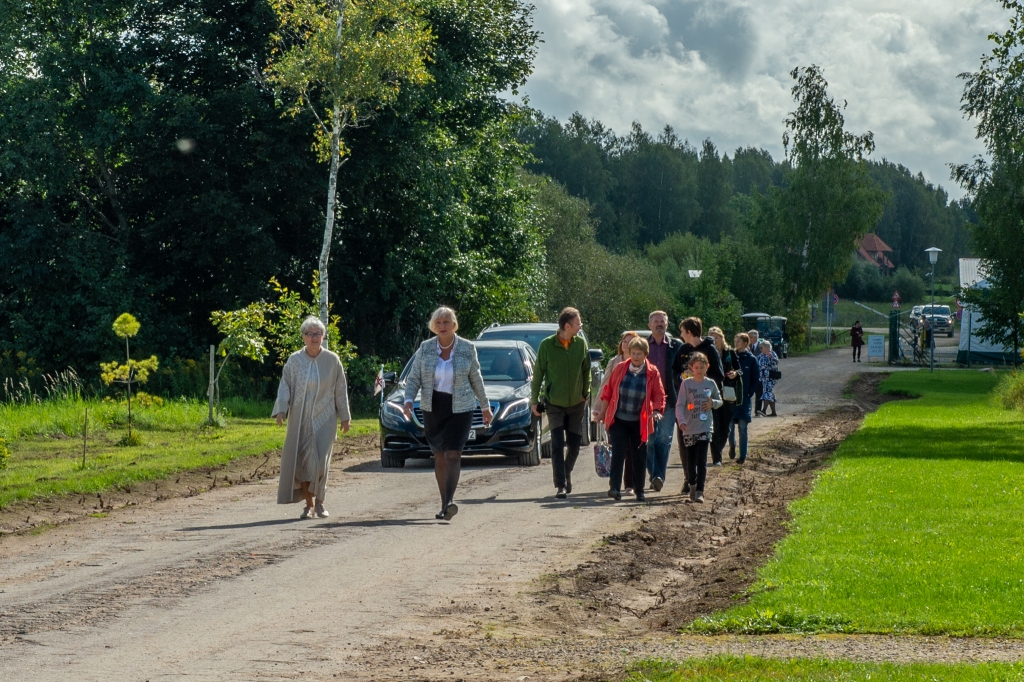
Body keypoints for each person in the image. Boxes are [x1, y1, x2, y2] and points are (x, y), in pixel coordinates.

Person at [403, 306, 492, 520]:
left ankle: (450, 501)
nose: (443, 326)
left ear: (454, 325)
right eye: (439, 323)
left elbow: (476, 379)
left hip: (460, 407)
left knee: (453, 453)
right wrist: (408, 400)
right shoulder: (425, 349)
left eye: (447, 322)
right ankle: (444, 503)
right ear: (434, 326)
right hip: (433, 407)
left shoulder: (467, 348)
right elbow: (414, 377)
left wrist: (485, 405)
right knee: (439, 455)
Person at [273, 316, 352, 520]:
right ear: (303, 337)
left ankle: (320, 502)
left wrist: (345, 416)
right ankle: (309, 505)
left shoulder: (332, 360)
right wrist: (281, 409)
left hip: (325, 420)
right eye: (310, 334)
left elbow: (340, 389)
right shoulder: (294, 360)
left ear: (323, 336)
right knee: (304, 462)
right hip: (300, 420)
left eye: (318, 334)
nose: (314, 337)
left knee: (320, 462)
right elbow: (285, 386)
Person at [594, 336, 666, 502]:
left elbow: (658, 394)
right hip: (619, 419)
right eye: (633, 353)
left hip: (639, 421)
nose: (635, 357)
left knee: (639, 455)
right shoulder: (620, 368)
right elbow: (608, 392)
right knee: (618, 453)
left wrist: (656, 410)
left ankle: (639, 491)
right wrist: (602, 414)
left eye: (639, 354)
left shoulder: (652, 372)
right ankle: (614, 488)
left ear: (645, 354)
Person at [531, 307, 591, 499]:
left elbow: (586, 370)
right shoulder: (547, 345)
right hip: (554, 404)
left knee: (574, 446)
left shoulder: (580, 344)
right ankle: (561, 485)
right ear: (567, 326)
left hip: (576, 404)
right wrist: (534, 400)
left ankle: (565, 474)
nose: (580, 326)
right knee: (557, 444)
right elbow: (538, 374)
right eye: (578, 324)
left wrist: (586, 392)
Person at [673, 317, 724, 490]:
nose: (680, 334)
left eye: (682, 331)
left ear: (689, 332)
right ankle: (689, 480)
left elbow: (719, 375)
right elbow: (674, 372)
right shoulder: (682, 349)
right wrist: (682, 376)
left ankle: (701, 482)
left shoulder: (709, 349)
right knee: (684, 445)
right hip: (686, 406)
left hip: (704, 407)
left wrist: (701, 380)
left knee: (703, 446)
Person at [595, 331, 640, 492]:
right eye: (624, 341)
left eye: (630, 341)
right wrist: (598, 409)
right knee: (617, 448)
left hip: (634, 413)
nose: (626, 344)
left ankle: (629, 484)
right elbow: (605, 385)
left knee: (630, 450)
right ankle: (615, 484)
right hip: (615, 411)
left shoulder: (641, 363)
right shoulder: (615, 362)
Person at [644, 311, 684, 492]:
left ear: (667, 325)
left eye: (663, 322)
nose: (659, 324)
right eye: (656, 321)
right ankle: (654, 474)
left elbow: (684, 370)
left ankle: (658, 476)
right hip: (646, 402)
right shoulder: (643, 345)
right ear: (649, 325)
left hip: (669, 399)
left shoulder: (676, 346)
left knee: (664, 439)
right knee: (648, 440)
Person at [676, 352, 722, 503]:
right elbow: (680, 404)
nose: (699, 370)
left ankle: (700, 492)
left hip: (705, 427)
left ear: (707, 367)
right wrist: (681, 421)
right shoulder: (686, 384)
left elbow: (719, 400)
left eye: (702, 367)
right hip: (689, 427)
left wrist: (712, 404)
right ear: (691, 368)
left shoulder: (710, 383)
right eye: (696, 367)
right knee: (691, 460)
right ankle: (692, 486)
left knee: (702, 460)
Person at [708, 327, 739, 466]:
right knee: (715, 425)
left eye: (717, 337)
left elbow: (739, 369)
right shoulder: (707, 352)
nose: (715, 340)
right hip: (711, 392)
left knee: (726, 426)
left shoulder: (730, 352)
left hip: (727, 392)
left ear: (722, 338)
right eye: (712, 337)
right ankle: (717, 458)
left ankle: (718, 449)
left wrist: (735, 373)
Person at [729, 333, 759, 464]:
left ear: (746, 343)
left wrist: (749, 393)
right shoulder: (730, 356)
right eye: (735, 341)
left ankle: (742, 455)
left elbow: (756, 378)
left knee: (742, 427)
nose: (736, 343)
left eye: (739, 341)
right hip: (730, 397)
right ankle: (732, 445)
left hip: (744, 398)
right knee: (729, 426)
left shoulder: (751, 359)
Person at [756, 339, 780, 417]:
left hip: (771, 377)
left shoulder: (772, 354)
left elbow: (776, 362)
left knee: (767, 392)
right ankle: (773, 412)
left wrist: (771, 358)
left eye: (761, 348)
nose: (760, 349)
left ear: (767, 347)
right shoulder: (761, 355)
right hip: (763, 378)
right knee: (769, 394)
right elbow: (755, 361)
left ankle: (764, 410)